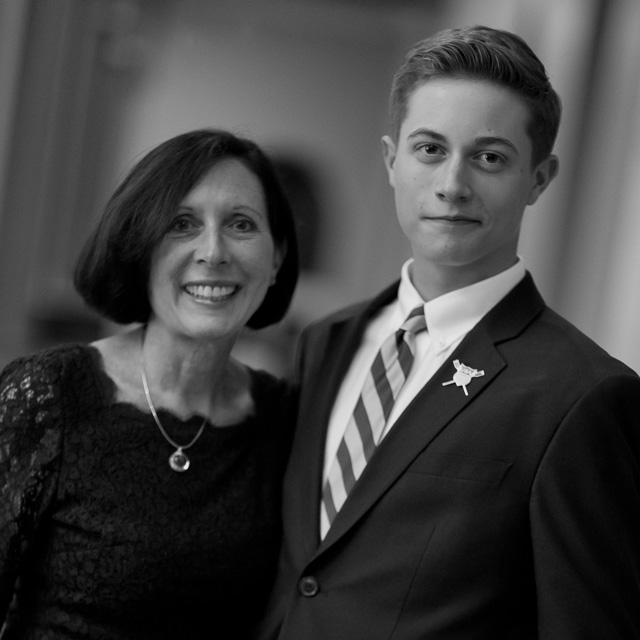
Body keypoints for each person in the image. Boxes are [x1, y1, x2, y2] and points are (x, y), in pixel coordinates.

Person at [257, 25, 640, 639]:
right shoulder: (325, 341)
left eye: (489, 157)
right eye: (430, 149)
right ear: (391, 160)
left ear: (540, 179)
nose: (451, 185)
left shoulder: (584, 397)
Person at [0, 128, 299, 639]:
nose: (213, 251)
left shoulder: (286, 420)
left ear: (275, 258)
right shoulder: (49, 395)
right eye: (182, 224)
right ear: (140, 247)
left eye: (242, 224)